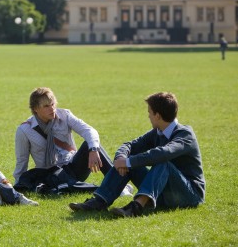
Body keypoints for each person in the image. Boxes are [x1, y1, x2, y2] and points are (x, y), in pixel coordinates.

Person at [69, 92, 205, 217]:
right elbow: (130, 145)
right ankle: (100, 201)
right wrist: (121, 158)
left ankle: (136, 207)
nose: (148, 116)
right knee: (130, 159)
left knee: (164, 162)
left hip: (190, 195)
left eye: (150, 112)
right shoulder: (158, 132)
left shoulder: (185, 134)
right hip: (163, 192)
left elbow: (164, 153)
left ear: (157, 116)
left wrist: (129, 162)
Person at [13, 87, 132, 195]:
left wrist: (93, 149)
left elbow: (89, 130)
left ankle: (119, 184)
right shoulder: (24, 130)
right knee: (60, 185)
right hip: (52, 174)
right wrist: (19, 186)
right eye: (46, 106)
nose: (52, 109)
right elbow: (22, 160)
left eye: (53, 104)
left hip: (73, 167)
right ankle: (111, 189)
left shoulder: (65, 115)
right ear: (35, 109)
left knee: (91, 144)